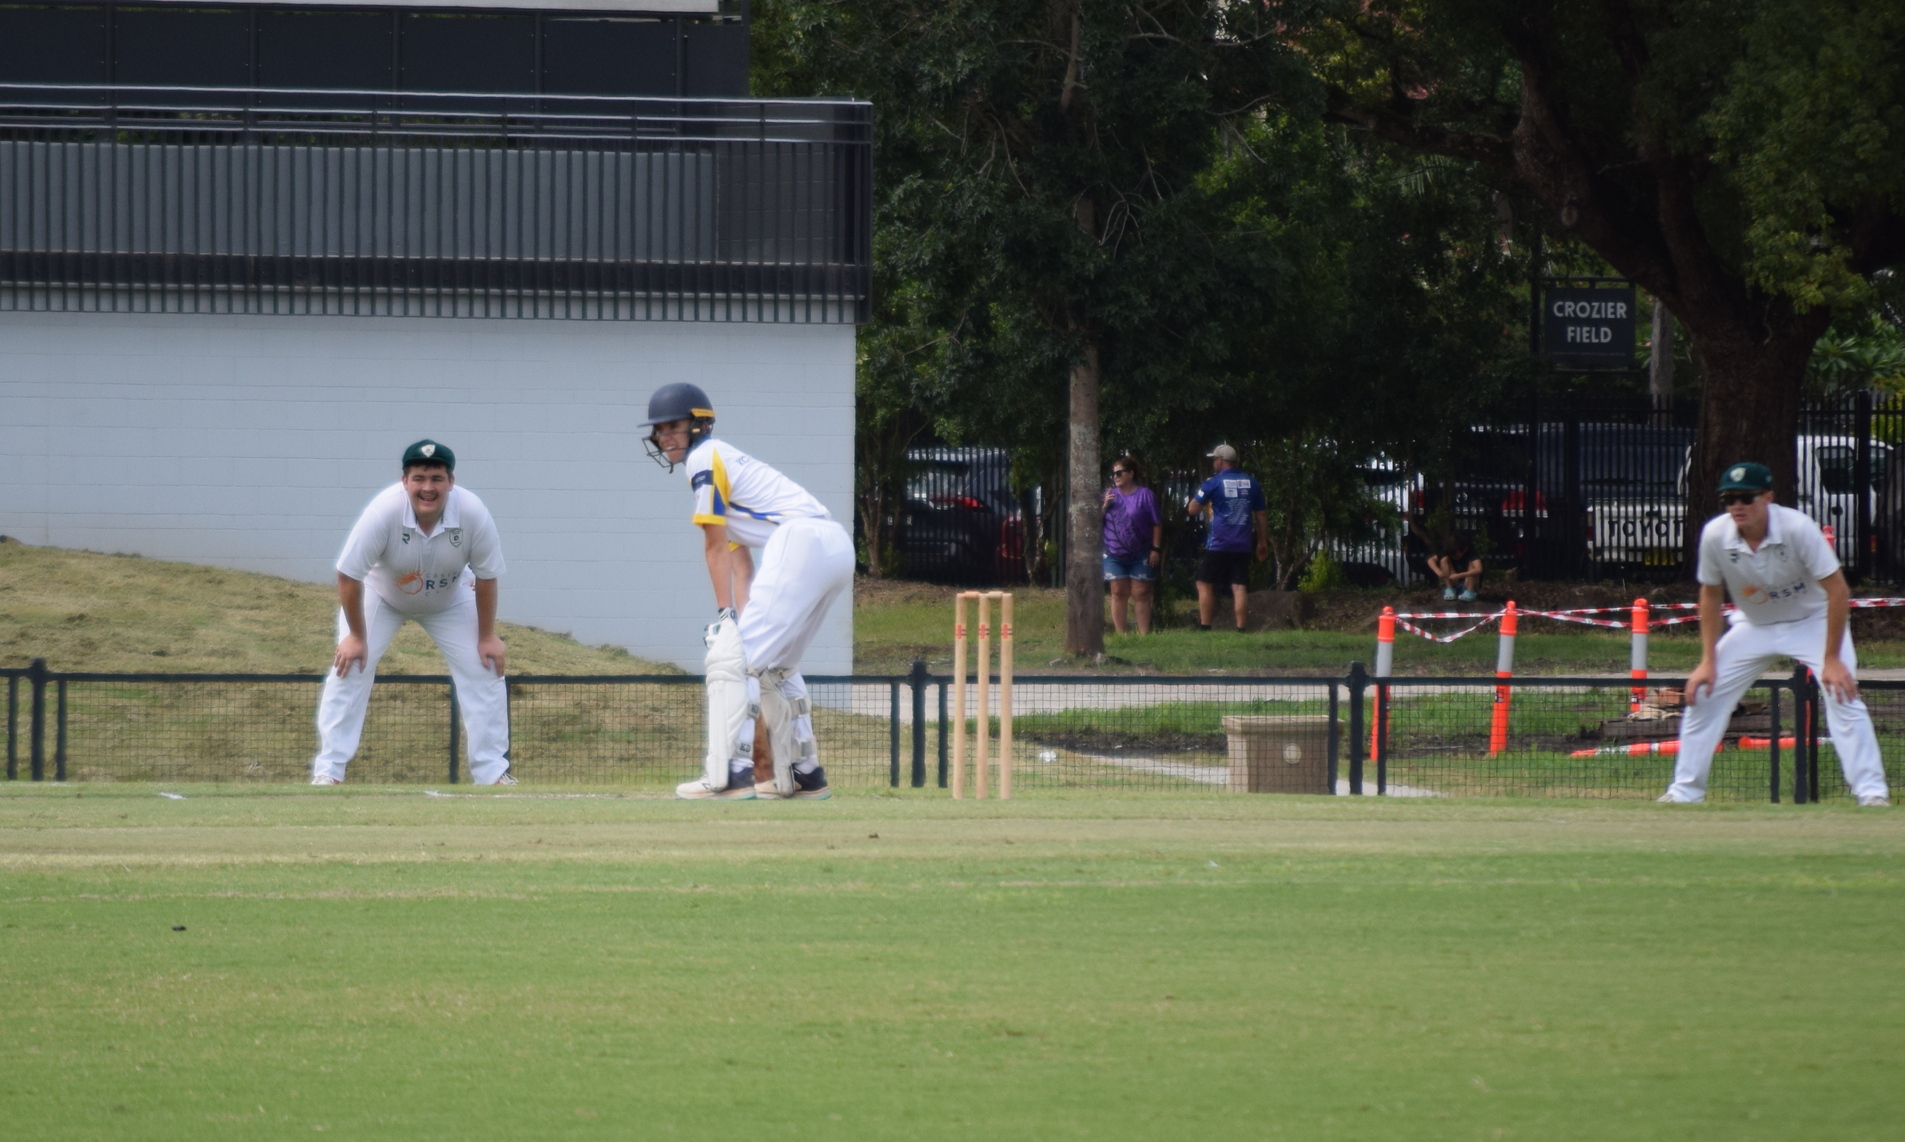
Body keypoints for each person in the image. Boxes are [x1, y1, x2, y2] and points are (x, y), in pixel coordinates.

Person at [641, 382, 854, 801]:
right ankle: (804, 773)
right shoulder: (723, 459)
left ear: (698, 425)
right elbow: (742, 565)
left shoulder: (703, 459)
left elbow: (714, 544)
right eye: (659, 428)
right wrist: (739, 616)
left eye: (673, 426)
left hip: (800, 543)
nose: (664, 435)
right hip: (834, 547)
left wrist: (725, 620)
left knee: (734, 663)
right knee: (776, 667)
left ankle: (729, 775)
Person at [1660, 462, 1890, 806]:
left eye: (1746, 497)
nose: (1737, 505)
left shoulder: (1798, 529)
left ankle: (1871, 794)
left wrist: (1830, 659)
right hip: (1754, 625)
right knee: (1703, 693)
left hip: (1813, 621)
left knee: (1842, 693)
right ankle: (1684, 792)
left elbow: (1838, 591)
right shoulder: (1715, 535)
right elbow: (1709, 595)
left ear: (1768, 497)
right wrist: (1707, 661)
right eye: (1730, 498)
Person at [312, 440, 513, 785]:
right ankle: (328, 773)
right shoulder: (383, 511)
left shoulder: (473, 513)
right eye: (419, 478)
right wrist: (357, 637)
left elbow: (487, 576)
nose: (428, 488)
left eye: (437, 478)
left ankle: (492, 773)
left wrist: (487, 637)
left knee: (486, 669)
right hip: (382, 596)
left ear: (451, 481)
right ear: (404, 480)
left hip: (449, 599)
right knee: (350, 667)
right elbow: (348, 575)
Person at [1185, 444, 1268, 632]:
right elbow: (1261, 514)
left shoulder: (1212, 483)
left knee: (1204, 582)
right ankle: (1241, 629)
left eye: (1214, 459)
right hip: (1243, 543)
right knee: (1239, 585)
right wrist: (1262, 541)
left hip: (1218, 542)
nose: (1213, 463)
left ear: (1221, 461)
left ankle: (1205, 627)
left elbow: (1192, 509)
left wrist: (1202, 492)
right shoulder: (1251, 483)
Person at [1101, 455, 1163, 635]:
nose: (1115, 477)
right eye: (1113, 474)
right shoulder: (1108, 495)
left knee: (1141, 593)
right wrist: (1105, 505)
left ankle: (1144, 634)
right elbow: (1094, 520)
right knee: (1118, 592)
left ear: (1131, 473)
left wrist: (1155, 548)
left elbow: (1156, 523)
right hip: (1113, 553)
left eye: (1119, 473)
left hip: (1141, 552)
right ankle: (1121, 634)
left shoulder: (1146, 495)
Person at [1427, 536, 1483, 601]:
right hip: (1453, 581)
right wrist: (1438, 572)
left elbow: (1479, 569)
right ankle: (1450, 589)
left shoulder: (1471, 552)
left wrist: (1459, 575)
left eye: (1457, 555)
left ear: (1464, 550)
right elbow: (1431, 560)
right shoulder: (1447, 551)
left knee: (1473, 565)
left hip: (1468, 582)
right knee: (1444, 560)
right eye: (1452, 554)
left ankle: (1470, 591)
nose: (1454, 557)